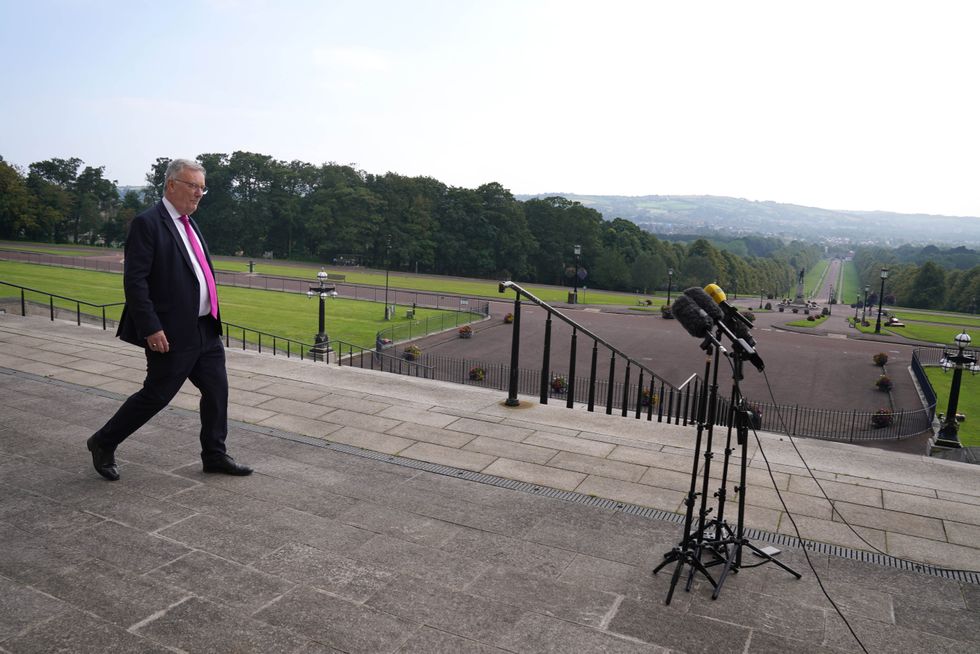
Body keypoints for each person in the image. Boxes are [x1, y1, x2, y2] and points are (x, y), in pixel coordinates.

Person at [86, 159, 252, 480]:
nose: (199, 193)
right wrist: (150, 327)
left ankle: (215, 454)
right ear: (171, 184)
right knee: (156, 396)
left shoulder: (189, 222)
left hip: (205, 327)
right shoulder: (148, 223)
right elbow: (136, 281)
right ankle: (103, 442)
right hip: (172, 332)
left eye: (203, 188)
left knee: (217, 391)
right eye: (193, 186)